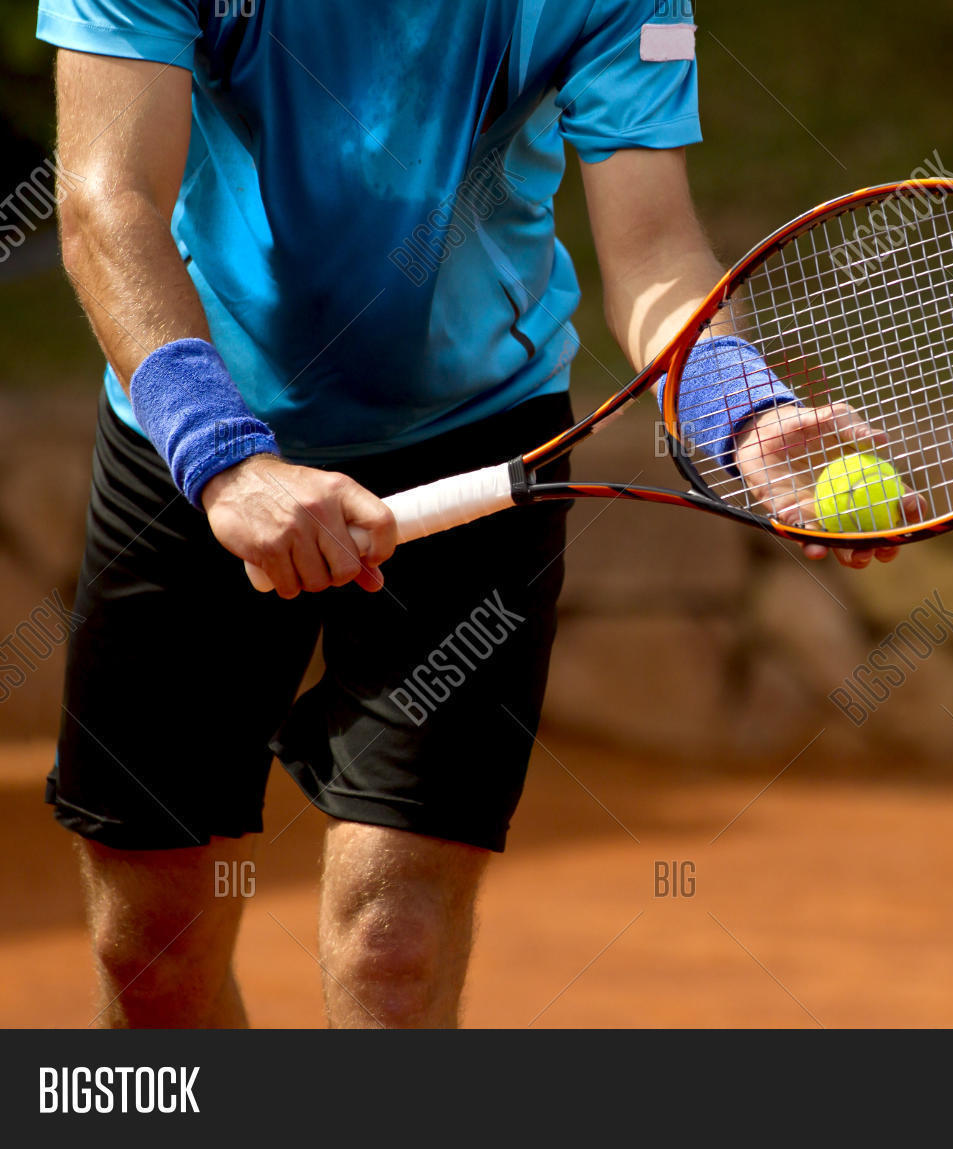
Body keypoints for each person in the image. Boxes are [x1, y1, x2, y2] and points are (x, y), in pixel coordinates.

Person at [40, 2, 901, 1028]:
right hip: (188, 429)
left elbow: (658, 254)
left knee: (393, 946)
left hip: (479, 436)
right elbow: (107, 198)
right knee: (147, 948)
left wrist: (743, 415)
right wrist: (227, 460)